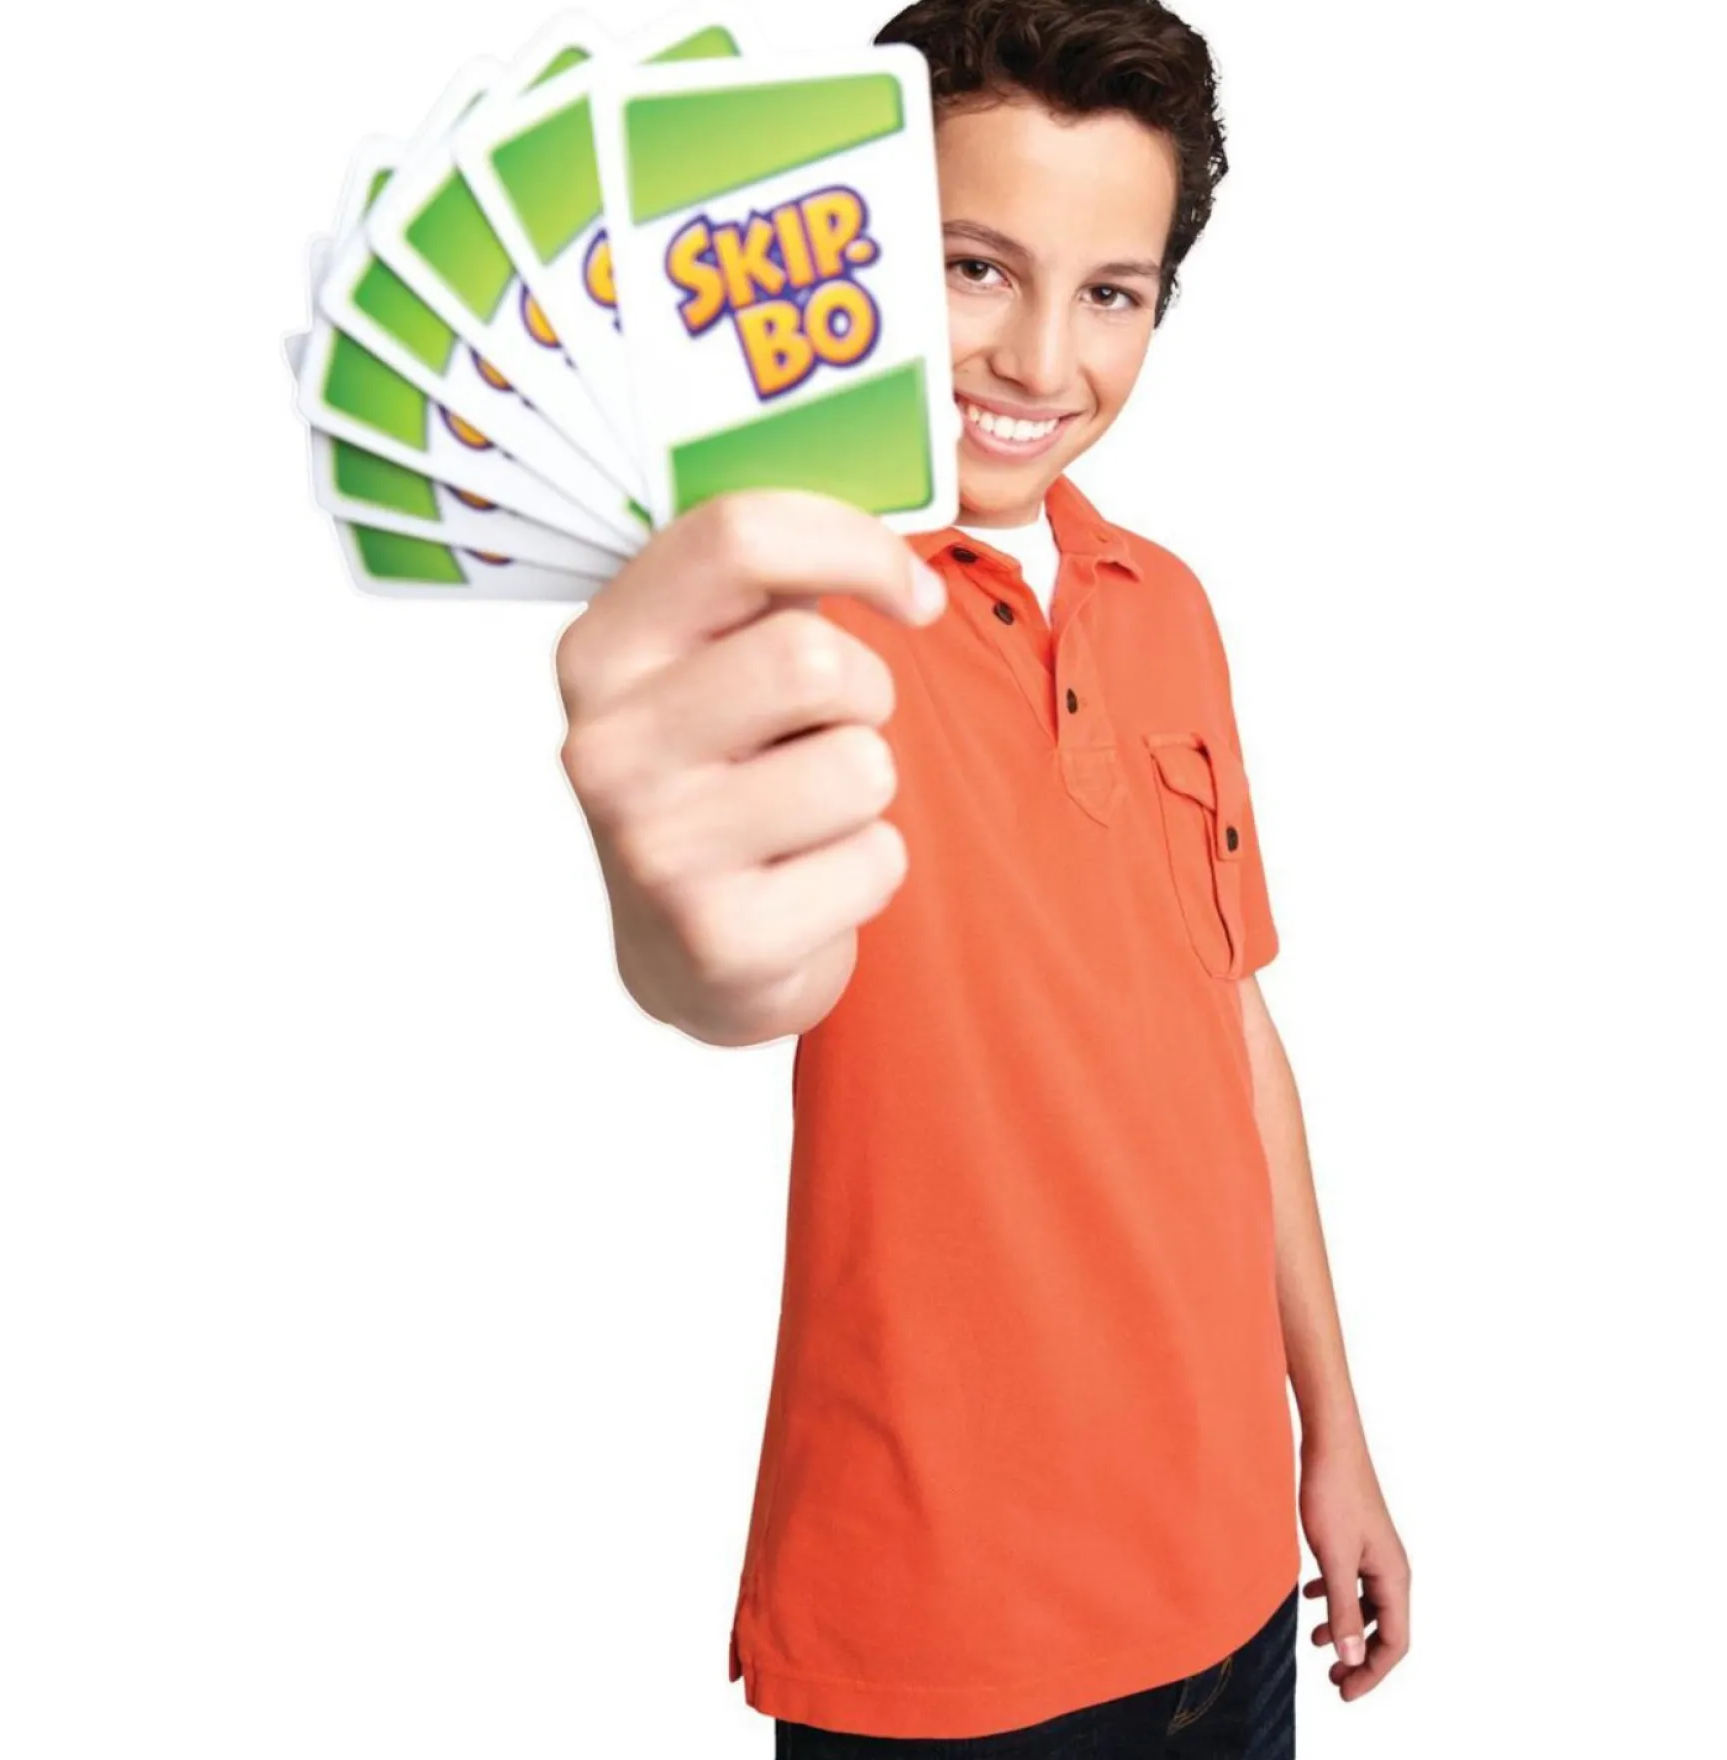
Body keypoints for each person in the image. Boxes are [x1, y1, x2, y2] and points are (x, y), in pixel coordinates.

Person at [552, 0, 1411, 1751]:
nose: (1039, 358)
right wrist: (680, 941)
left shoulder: (1167, 607)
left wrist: (1336, 1436)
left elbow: (1232, 1025)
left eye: (1113, 293)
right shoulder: (786, 598)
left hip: (1232, 1583)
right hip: (943, 1642)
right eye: (974, 267)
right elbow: (717, 965)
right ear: (858, 249)